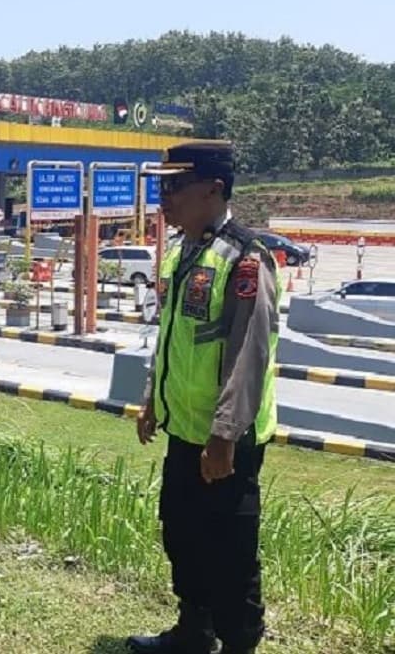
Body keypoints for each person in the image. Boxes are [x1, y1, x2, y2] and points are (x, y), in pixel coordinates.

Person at [128, 141, 282, 654]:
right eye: (161, 186)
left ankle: (239, 644)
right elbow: (172, 337)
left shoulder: (245, 260)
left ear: (214, 189)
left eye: (175, 186)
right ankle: (193, 631)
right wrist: (153, 397)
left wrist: (224, 436)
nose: (164, 197)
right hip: (184, 431)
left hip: (226, 445)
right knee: (182, 536)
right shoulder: (181, 251)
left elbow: (247, 355)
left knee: (231, 553)